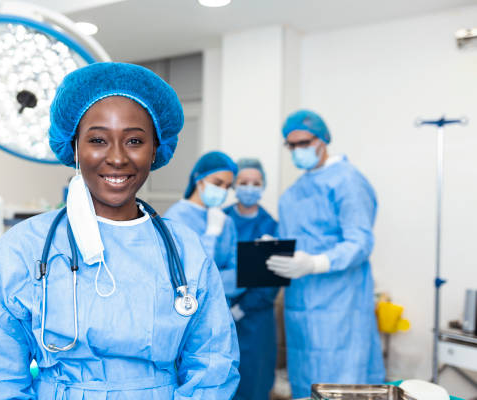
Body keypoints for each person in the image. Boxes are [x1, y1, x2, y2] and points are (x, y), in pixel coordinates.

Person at [0, 62, 240, 399]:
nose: (117, 158)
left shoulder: (185, 251)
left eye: (134, 140)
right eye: (98, 140)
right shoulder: (22, 249)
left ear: (155, 150)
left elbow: (213, 366)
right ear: (74, 147)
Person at [266, 110, 384, 398]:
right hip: (300, 309)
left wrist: (316, 263)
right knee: (306, 385)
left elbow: (360, 242)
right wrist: (272, 246)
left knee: (342, 385)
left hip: (340, 308)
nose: (297, 151)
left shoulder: (347, 181)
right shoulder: (294, 192)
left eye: (303, 143)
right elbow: (296, 241)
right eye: (291, 146)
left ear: (322, 140)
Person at [223, 158, 279, 400]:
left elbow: (271, 279)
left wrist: (242, 308)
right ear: (234, 185)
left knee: (254, 382)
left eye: (255, 183)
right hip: (219, 314)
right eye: (243, 182)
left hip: (257, 320)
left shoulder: (271, 226)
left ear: (263, 186)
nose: (249, 187)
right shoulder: (220, 220)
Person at [164, 151, 241, 301]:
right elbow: (188, 276)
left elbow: (238, 276)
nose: (223, 191)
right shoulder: (175, 218)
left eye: (227, 186)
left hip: (223, 309)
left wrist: (211, 280)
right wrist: (211, 235)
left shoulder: (226, 221)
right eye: (218, 183)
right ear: (198, 179)